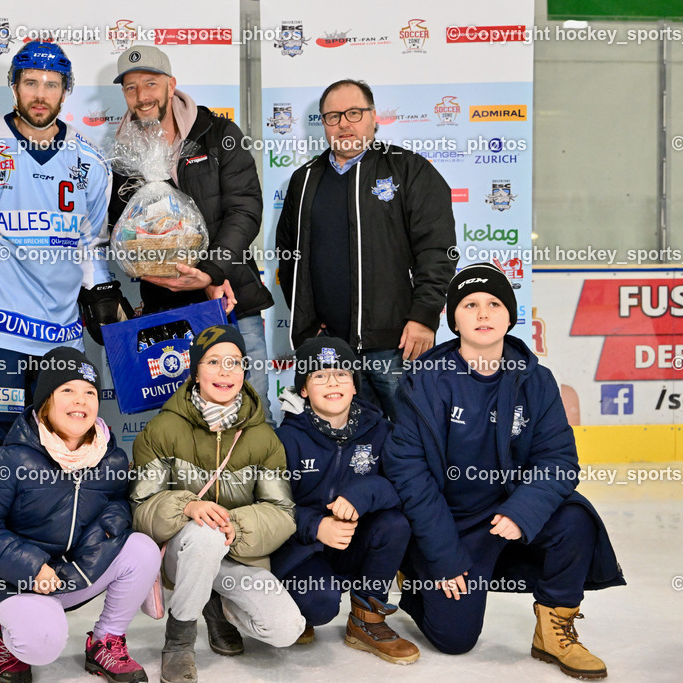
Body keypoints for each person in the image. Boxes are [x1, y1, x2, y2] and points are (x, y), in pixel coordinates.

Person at [384, 263, 625, 679]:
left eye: (494, 304)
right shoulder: (423, 383)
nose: (482, 314)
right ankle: (417, 574)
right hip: (454, 524)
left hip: (509, 515)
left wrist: (522, 512)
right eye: (470, 304)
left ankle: (553, 631)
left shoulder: (536, 380)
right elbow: (410, 476)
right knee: (455, 640)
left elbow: (559, 461)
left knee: (575, 517)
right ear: (451, 317)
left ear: (509, 317)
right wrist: (441, 557)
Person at [0, 41, 119, 576]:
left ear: (64, 91)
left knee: (53, 450)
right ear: (15, 87)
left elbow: (93, 240)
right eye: (30, 83)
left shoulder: (89, 161)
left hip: (58, 335)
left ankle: (35, 550)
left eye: (51, 84)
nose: (40, 95)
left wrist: (100, 287)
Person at [0, 347, 160, 683]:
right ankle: (10, 638)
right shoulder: (12, 459)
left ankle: (105, 642)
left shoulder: (110, 458)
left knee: (142, 548)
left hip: (68, 572)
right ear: (45, 403)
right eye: (67, 390)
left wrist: (98, 542)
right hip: (13, 580)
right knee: (42, 645)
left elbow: (117, 506)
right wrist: (31, 566)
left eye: (90, 392)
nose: (80, 400)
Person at [109, 46, 276, 424]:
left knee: (254, 405)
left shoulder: (218, 134)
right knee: (179, 416)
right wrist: (145, 271)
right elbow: (120, 231)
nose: (142, 96)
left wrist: (212, 273)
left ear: (172, 85)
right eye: (131, 88)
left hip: (231, 297)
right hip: (164, 309)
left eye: (151, 83)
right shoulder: (124, 155)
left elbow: (245, 209)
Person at [130, 325, 304, 683]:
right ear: (195, 370)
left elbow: (282, 512)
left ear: (244, 370)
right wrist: (186, 507)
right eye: (213, 361)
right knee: (205, 536)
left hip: (238, 554)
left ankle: (216, 605)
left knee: (287, 629)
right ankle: (179, 643)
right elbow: (142, 507)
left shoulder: (265, 437)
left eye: (234, 362)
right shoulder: (162, 429)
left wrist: (236, 525)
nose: (225, 371)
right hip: (183, 554)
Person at [275, 78, 456, 419]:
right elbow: (288, 256)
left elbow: (437, 250)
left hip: (397, 345)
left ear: (374, 117)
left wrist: (424, 316)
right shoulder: (304, 180)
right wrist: (309, 329)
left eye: (354, 113)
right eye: (332, 116)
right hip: (330, 352)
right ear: (323, 124)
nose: (343, 123)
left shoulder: (409, 169)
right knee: (345, 452)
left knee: (411, 437)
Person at [271, 337, 417, 664]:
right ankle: (295, 606)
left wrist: (364, 493)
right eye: (319, 375)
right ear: (304, 389)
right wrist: (315, 525)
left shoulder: (381, 431)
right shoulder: (285, 439)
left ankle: (367, 620)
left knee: (394, 524)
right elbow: (270, 507)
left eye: (342, 374)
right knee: (318, 605)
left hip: (355, 542)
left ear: (355, 386)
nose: (333, 382)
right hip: (303, 549)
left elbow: (405, 487)